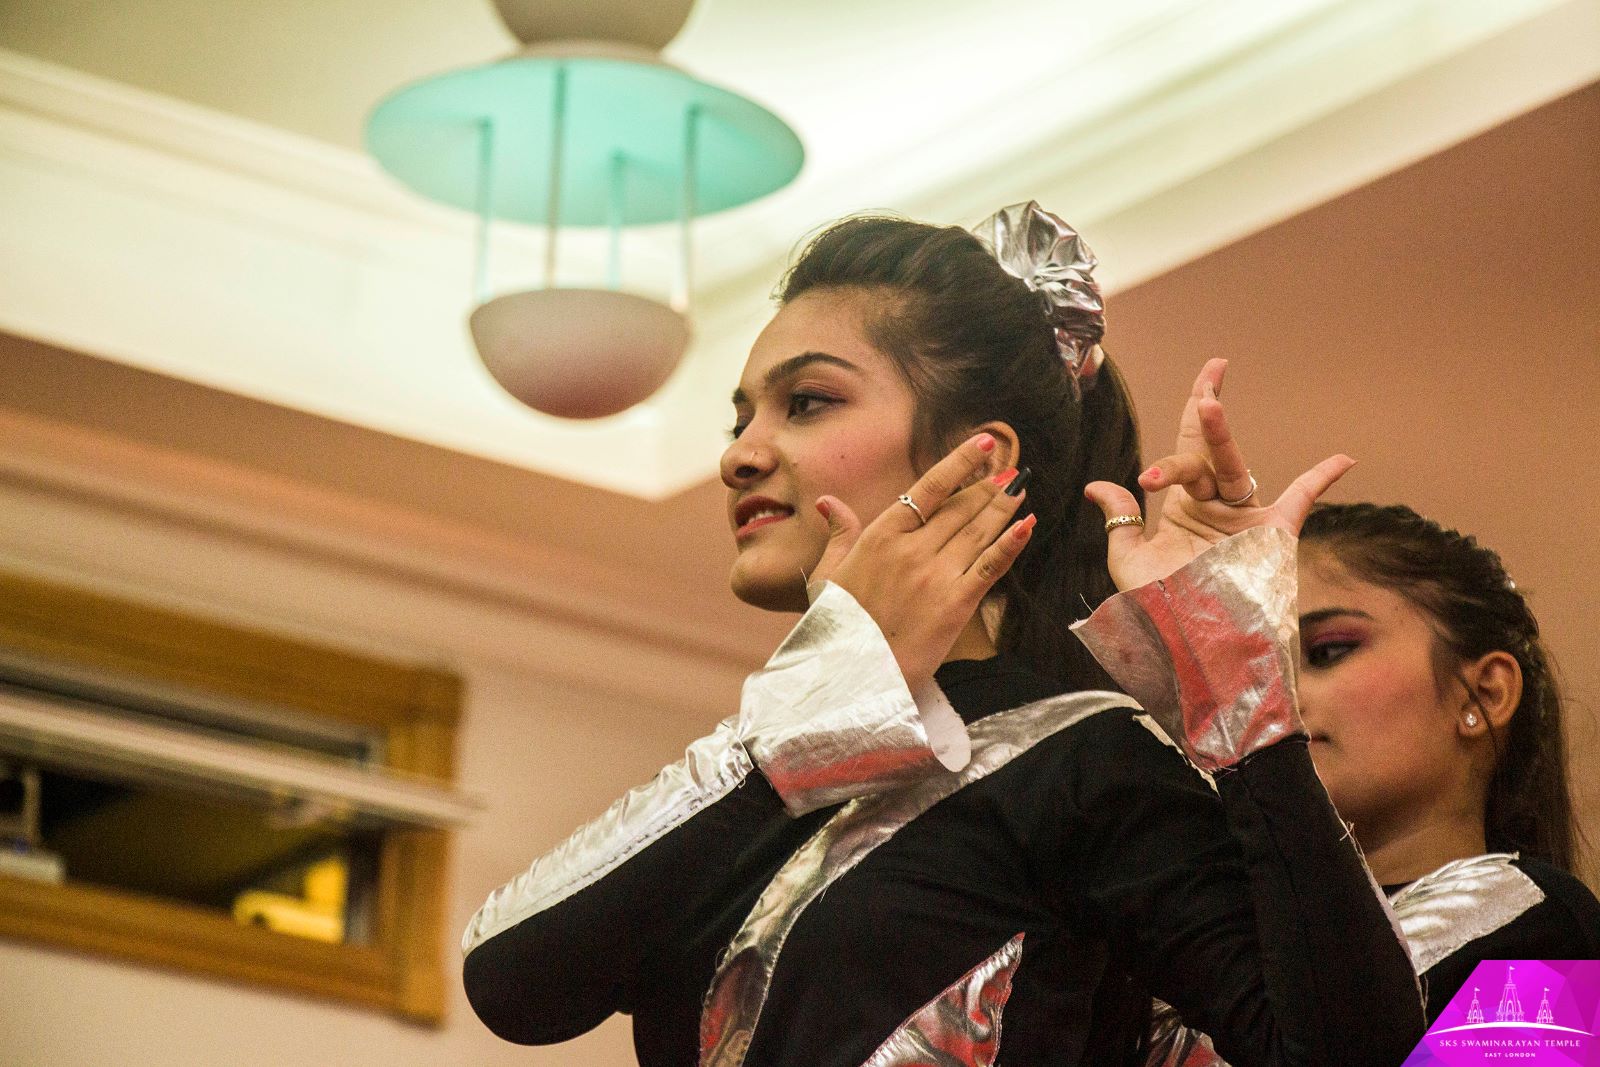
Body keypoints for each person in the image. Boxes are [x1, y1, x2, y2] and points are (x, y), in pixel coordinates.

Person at [459, 203, 1423, 1066]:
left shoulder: (1084, 757)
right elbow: (513, 982)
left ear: (979, 459)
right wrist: (824, 703)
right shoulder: (773, 764)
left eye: (806, 402)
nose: (737, 453)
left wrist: (1235, 665)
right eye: (742, 414)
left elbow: (1352, 1048)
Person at [1147, 503, 1600, 1065]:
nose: (1272, 694)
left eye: (1326, 652)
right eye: (1263, 664)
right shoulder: (1214, 928)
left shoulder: (1549, 945)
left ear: (1483, 694)